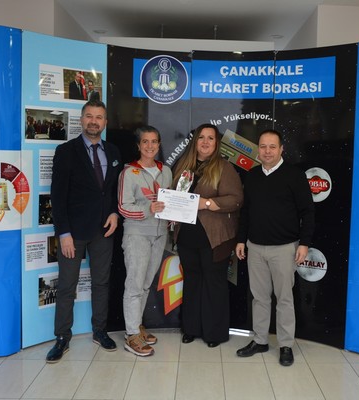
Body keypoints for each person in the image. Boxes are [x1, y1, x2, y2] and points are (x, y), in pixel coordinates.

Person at [47, 100, 122, 363]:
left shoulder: (113, 151)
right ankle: (62, 337)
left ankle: (99, 331)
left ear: (105, 122)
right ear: (81, 120)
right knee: (67, 285)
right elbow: (58, 196)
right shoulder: (66, 151)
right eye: (89, 116)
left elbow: (113, 190)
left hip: (104, 230)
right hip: (74, 232)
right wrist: (63, 233)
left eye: (99, 117)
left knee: (101, 283)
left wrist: (114, 213)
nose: (94, 121)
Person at [235, 129, 315, 367]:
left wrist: (304, 243)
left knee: (284, 299)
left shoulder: (294, 175)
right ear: (258, 149)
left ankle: (286, 345)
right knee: (259, 298)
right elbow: (246, 212)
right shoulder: (252, 175)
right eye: (263, 146)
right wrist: (241, 240)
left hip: (284, 249)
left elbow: (308, 212)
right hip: (255, 248)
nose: (267, 151)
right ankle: (260, 340)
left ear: (281, 149)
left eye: (272, 147)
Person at [172, 123, 243, 348]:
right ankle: (191, 329)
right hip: (187, 236)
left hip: (214, 238)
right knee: (192, 281)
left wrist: (208, 203)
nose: (205, 142)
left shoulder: (224, 167)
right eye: (201, 137)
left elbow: (236, 200)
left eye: (210, 138)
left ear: (216, 143)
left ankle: (214, 333)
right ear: (195, 142)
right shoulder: (183, 165)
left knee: (214, 283)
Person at [117, 126, 172, 357]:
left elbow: (170, 201)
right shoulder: (129, 172)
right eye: (145, 142)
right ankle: (131, 335)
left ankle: (136, 326)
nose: (150, 146)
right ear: (138, 145)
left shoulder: (165, 170)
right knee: (134, 285)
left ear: (159, 145)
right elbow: (123, 207)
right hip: (137, 234)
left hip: (159, 235)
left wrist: (174, 215)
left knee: (146, 284)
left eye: (154, 142)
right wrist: (149, 208)